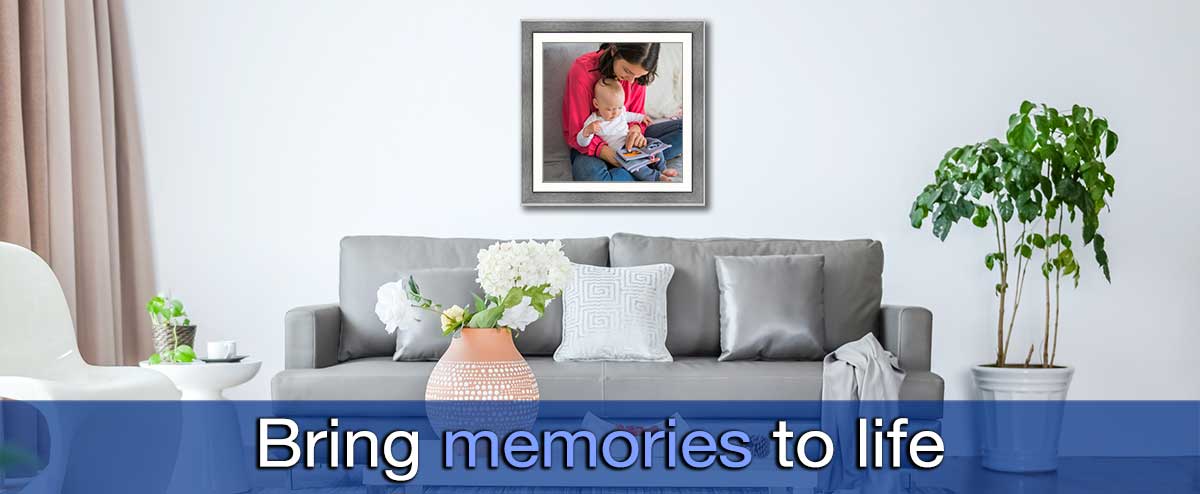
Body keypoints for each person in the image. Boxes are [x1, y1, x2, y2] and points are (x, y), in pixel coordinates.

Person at [562, 43, 683, 182]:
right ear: (614, 51)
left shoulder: (636, 76)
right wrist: (610, 154)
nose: (631, 80)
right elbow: (577, 133)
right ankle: (642, 168)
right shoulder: (582, 71)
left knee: (693, 129)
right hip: (591, 147)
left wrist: (635, 131)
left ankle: (636, 167)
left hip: (626, 139)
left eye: (638, 76)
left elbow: (635, 114)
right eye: (627, 71)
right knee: (593, 178)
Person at [576, 78, 678, 181]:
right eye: (609, 109)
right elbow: (582, 143)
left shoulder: (620, 112)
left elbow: (629, 115)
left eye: (619, 107)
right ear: (596, 104)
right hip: (621, 151)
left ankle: (662, 168)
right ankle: (657, 176)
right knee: (636, 165)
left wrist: (641, 117)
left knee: (655, 143)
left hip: (633, 141)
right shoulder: (594, 120)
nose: (615, 113)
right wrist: (587, 132)